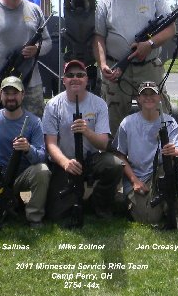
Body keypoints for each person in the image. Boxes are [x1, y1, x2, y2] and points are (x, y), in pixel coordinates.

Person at [93, 0, 175, 135]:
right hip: (116, 68)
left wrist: (150, 44)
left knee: (159, 115)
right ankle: (114, 159)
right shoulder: (106, 3)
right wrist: (103, 64)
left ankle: (163, 158)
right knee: (112, 119)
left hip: (149, 67)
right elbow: (98, 37)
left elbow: (170, 29)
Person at [42, 60, 123, 222]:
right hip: (65, 162)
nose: (75, 78)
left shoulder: (99, 104)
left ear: (87, 79)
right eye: (70, 75)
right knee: (56, 216)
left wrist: (87, 131)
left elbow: (103, 143)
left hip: (91, 159)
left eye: (80, 75)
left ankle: (101, 205)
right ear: (63, 80)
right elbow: (50, 143)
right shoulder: (52, 105)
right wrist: (65, 163)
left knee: (114, 164)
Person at [0, 76, 50, 229]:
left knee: (42, 171)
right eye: (6, 93)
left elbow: (42, 156)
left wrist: (28, 149)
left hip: (24, 176)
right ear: (0, 95)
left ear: (22, 95)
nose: (10, 97)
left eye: (15, 93)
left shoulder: (34, 122)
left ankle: (34, 217)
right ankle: (10, 207)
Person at [113, 81, 178, 226]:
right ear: (138, 99)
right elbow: (120, 156)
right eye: (144, 94)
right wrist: (134, 181)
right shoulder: (127, 123)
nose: (149, 98)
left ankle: (172, 206)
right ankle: (125, 201)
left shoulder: (170, 122)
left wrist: (172, 151)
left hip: (161, 173)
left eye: (153, 94)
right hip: (138, 178)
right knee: (149, 219)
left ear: (159, 98)